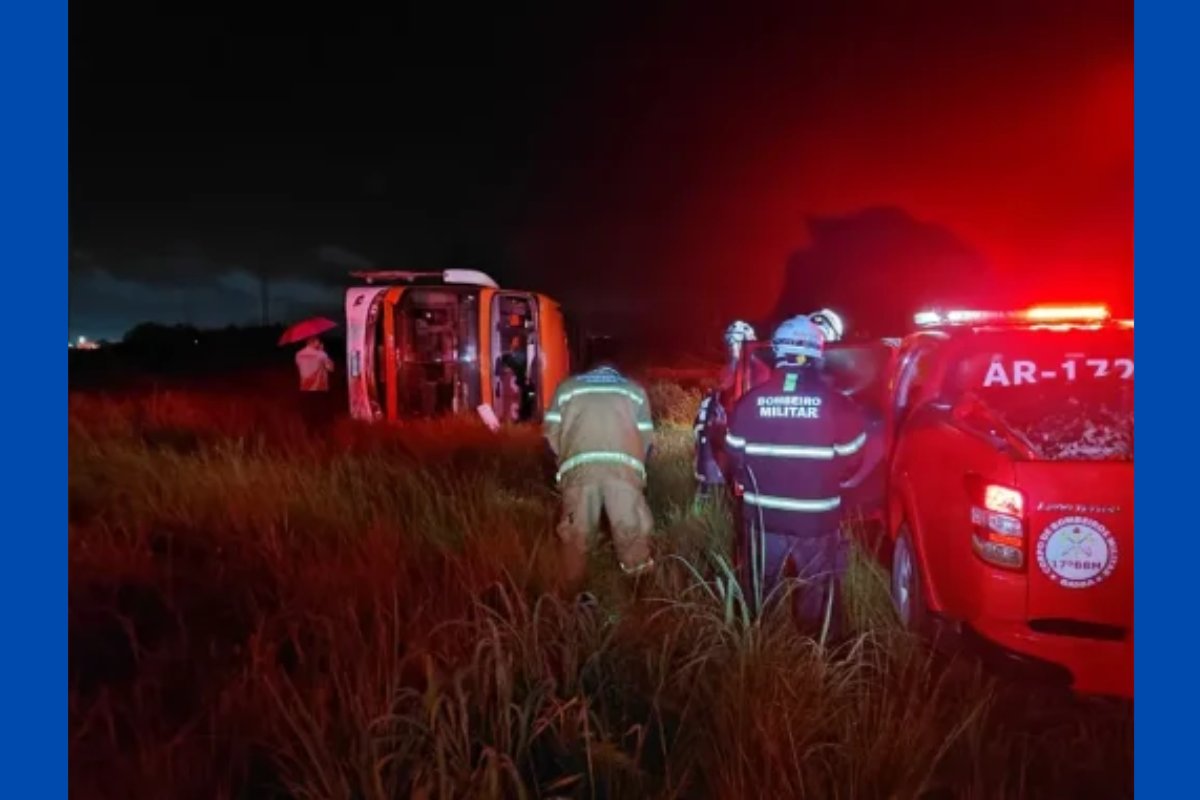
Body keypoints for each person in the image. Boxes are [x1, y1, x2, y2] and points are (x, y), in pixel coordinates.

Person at [724, 315, 867, 638]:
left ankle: (759, 650)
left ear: (778, 352)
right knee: (815, 591)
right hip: (816, 520)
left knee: (759, 593)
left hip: (763, 517)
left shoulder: (748, 404)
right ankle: (811, 654)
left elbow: (735, 458)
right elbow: (853, 460)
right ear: (817, 353)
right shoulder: (840, 405)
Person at [543, 361, 657, 591]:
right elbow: (647, 441)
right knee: (631, 530)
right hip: (623, 472)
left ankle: (572, 598)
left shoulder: (567, 388)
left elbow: (549, 436)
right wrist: (637, 469)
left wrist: (564, 463)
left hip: (580, 471)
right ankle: (639, 593)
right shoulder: (634, 391)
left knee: (576, 534)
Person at [295, 337, 336, 430]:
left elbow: (299, 366)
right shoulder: (321, 354)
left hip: (304, 388)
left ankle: (309, 432)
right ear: (313, 342)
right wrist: (322, 352)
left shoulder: (298, 354)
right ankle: (321, 432)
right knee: (320, 414)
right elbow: (331, 368)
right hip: (319, 388)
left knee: (308, 413)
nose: (319, 343)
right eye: (318, 341)